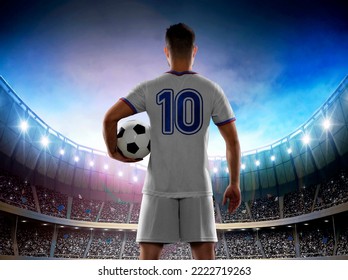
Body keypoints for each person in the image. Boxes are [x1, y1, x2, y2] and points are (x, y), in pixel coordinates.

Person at [103, 23, 241, 260]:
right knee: (205, 259)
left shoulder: (149, 88)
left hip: (158, 187)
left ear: (166, 52)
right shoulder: (212, 90)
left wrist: (113, 152)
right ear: (194, 51)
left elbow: (110, 118)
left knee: (149, 258)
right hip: (198, 187)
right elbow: (233, 142)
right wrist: (234, 183)